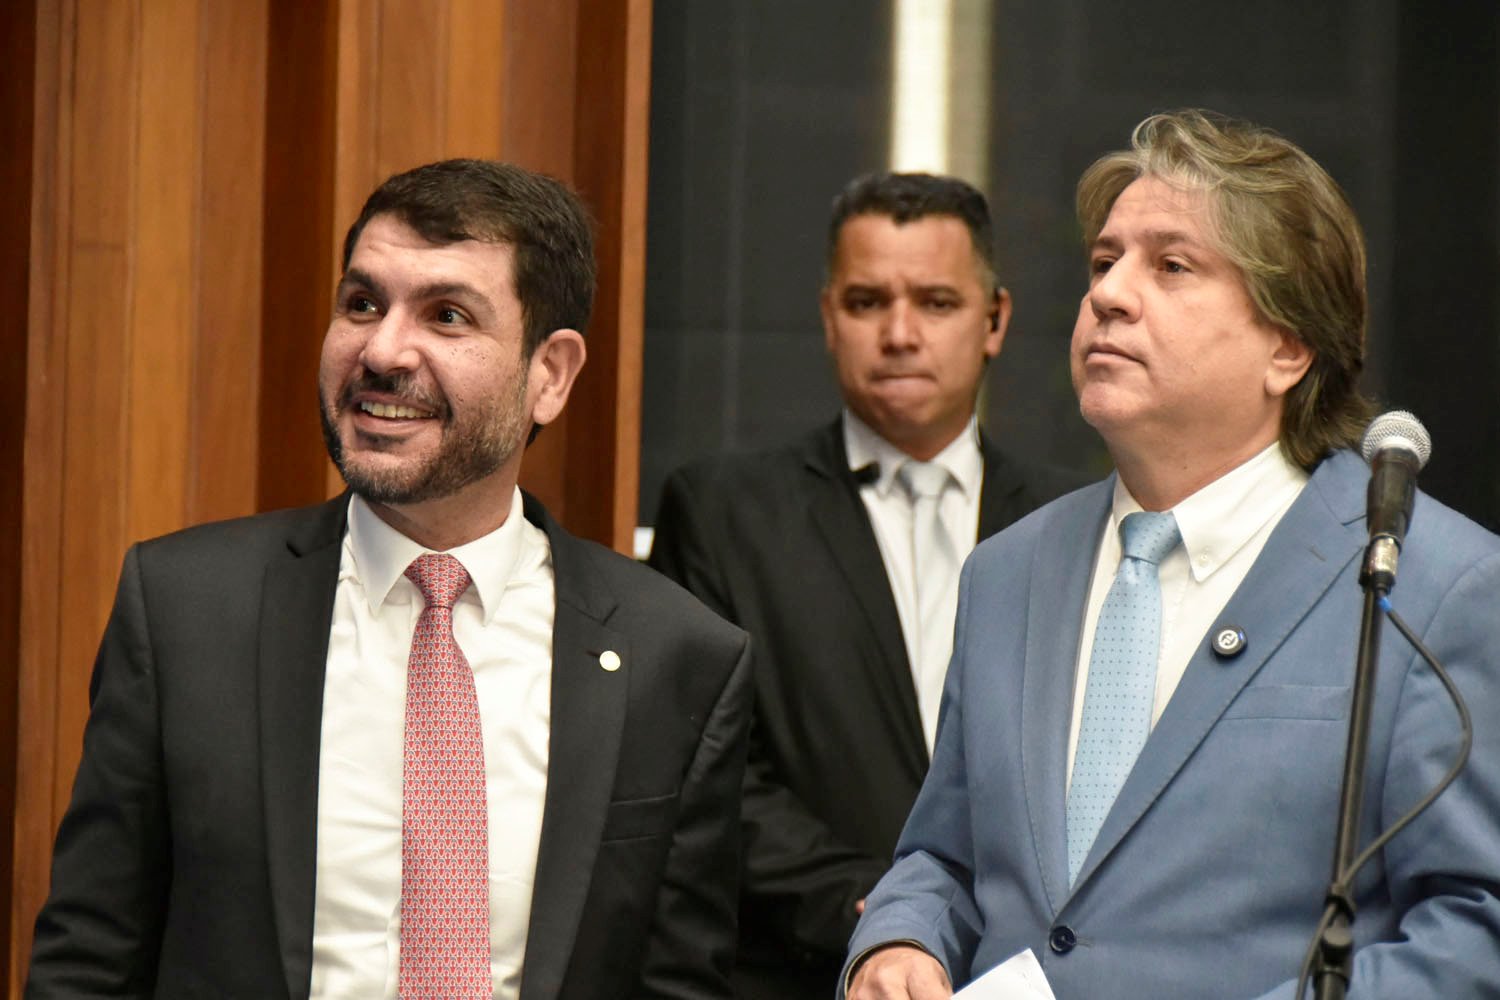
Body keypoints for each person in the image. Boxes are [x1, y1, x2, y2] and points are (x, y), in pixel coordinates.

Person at [26, 160, 751, 1000]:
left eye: (447, 316)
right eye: (363, 304)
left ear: (549, 374)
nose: (381, 351)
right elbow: (90, 962)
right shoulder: (186, 611)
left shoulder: (676, 658)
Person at [843, 109, 1500, 999]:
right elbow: (945, 857)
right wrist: (900, 942)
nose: (1109, 295)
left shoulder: (1434, 583)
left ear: (1287, 346)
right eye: (1103, 262)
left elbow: (1474, 931)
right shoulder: (1008, 571)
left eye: (1172, 266)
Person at [649, 171, 1080, 998]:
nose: (900, 333)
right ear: (827, 317)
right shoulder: (724, 512)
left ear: (995, 320)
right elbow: (701, 765)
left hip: (1028, 972)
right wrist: (889, 916)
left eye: (937, 302)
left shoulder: (1075, 523)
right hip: (800, 970)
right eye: (866, 301)